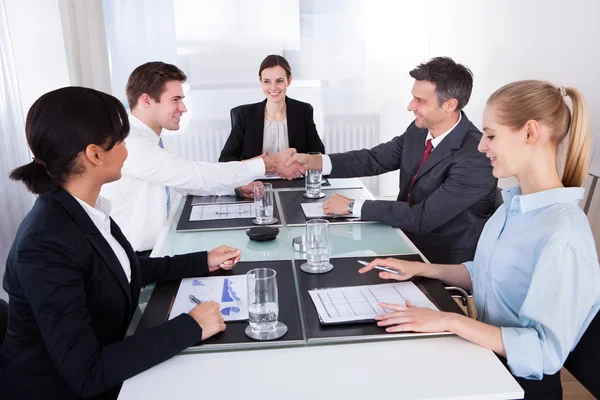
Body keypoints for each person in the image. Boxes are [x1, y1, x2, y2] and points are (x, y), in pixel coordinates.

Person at [359, 81, 600, 398]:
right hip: (486, 360)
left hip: (520, 386)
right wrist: (421, 269)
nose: (482, 146)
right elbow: (486, 272)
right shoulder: (512, 207)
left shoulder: (562, 233)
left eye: (491, 135)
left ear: (530, 133)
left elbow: (543, 353)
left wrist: (449, 321)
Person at [0, 87, 244, 400]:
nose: (127, 150)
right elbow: (88, 372)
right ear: (94, 154)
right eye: (119, 141)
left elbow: (120, 269)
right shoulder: (45, 244)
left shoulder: (83, 208)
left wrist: (201, 261)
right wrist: (191, 327)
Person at [285, 57, 497, 264]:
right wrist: (313, 162)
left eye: (420, 100)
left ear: (450, 105)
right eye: (413, 97)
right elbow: (374, 159)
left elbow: (423, 217)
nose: (410, 106)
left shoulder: (476, 156)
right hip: (403, 237)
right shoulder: (418, 130)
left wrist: (352, 206)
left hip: (440, 260)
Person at [101, 61, 304, 254]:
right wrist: (267, 164)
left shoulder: (152, 138)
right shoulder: (130, 143)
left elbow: (185, 183)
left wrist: (235, 186)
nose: (183, 108)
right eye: (175, 99)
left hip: (160, 246)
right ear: (146, 100)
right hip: (139, 258)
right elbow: (194, 175)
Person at [218, 54, 325, 162]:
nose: (273, 87)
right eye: (267, 81)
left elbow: (319, 156)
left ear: (289, 80)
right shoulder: (244, 115)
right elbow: (225, 159)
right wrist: (258, 163)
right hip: (258, 178)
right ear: (260, 81)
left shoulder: (303, 111)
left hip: (294, 178)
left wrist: (298, 159)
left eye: (279, 81)